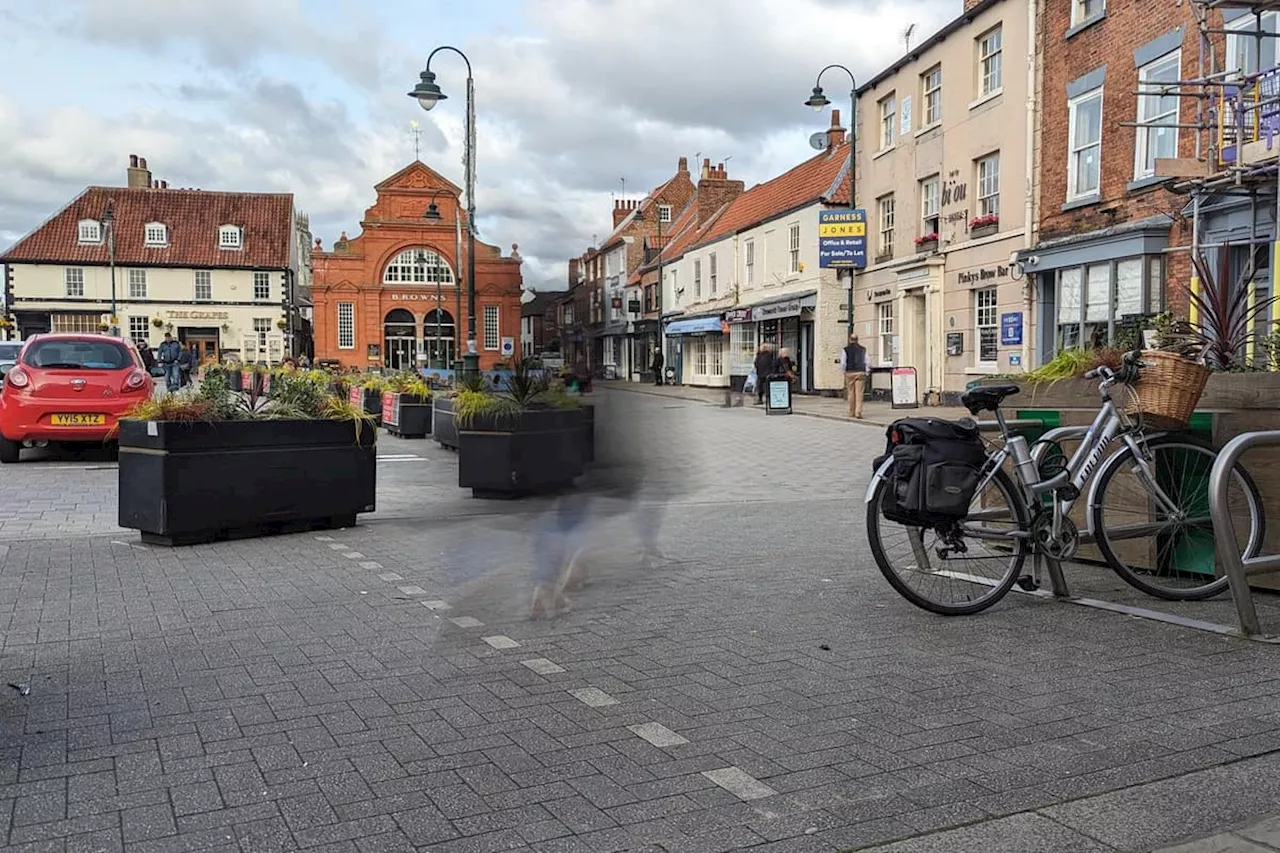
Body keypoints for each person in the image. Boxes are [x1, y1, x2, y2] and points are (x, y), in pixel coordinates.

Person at [841, 333, 868, 419]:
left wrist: (843, 371)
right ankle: (858, 412)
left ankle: (851, 412)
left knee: (851, 392)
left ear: (850, 339)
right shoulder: (863, 349)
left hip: (850, 372)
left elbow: (843, 362)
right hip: (860, 372)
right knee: (859, 393)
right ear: (857, 340)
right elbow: (867, 361)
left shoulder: (845, 350)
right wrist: (867, 371)